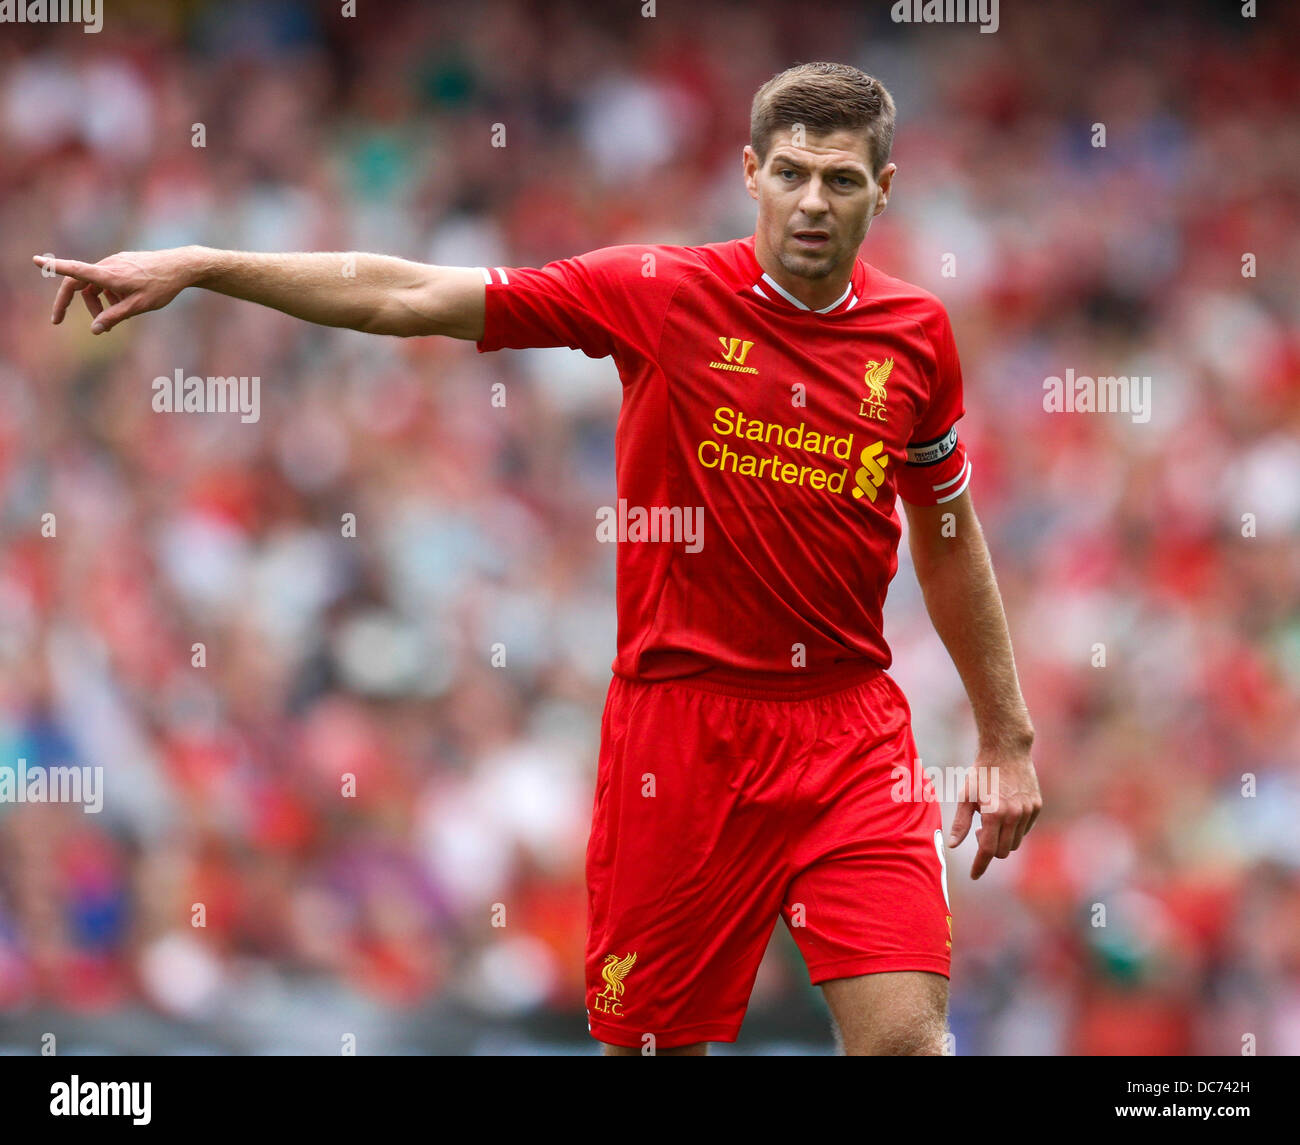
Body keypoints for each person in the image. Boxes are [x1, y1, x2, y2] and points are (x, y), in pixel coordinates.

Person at [34, 61, 1041, 1057]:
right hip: (678, 734)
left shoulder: (917, 335)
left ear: (885, 188)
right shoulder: (660, 293)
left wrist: (1005, 734)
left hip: (845, 730)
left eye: (841, 179)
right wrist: (209, 263)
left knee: (906, 1040)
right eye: (790, 173)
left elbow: (946, 533)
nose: (812, 201)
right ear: (749, 172)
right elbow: (408, 295)